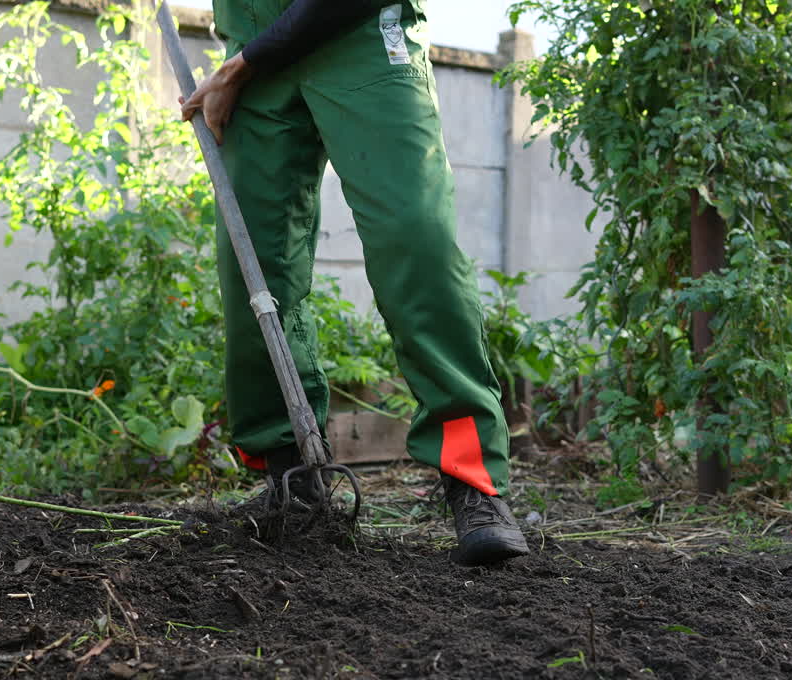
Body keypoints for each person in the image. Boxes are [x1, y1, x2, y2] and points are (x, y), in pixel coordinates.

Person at [179, 0, 529, 565]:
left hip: (360, 33)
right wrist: (245, 59)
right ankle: (290, 471)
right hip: (255, 39)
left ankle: (473, 480)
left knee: (416, 242)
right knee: (253, 264)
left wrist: (240, 65)